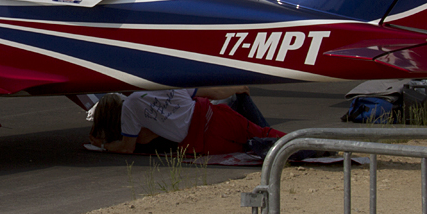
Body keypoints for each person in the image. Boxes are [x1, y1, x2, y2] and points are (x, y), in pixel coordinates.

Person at [88, 86, 284, 155]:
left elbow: (128, 147)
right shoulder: (161, 85)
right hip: (212, 116)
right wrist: (235, 87)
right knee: (264, 134)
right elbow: (213, 92)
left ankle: (283, 146)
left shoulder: (134, 120)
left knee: (250, 144)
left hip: (202, 142)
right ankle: (303, 144)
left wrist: (104, 145)